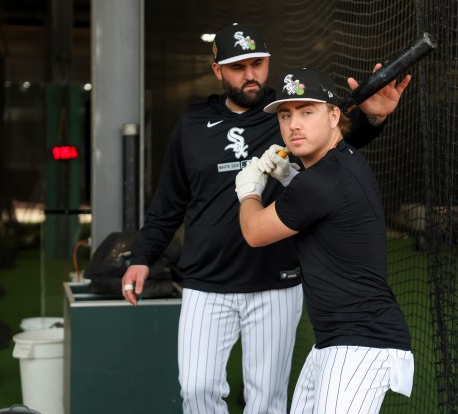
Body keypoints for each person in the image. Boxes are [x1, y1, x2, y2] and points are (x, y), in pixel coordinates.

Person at [121, 22, 411, 413]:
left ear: (268, 63)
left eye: (256, 63)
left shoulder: (292, 113)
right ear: (218, 70)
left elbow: (339, 139)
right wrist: (142, 255)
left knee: (267, 400)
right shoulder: (194, 125)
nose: (250, 74)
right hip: (208, 279)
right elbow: (169, 200)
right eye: (238, 66)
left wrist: (373, 119)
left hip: (277, 281)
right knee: (196, 390)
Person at [236, 67, 414, 414]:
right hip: (335, 341)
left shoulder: (322, 179)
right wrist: (289, 176)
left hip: (362, 342)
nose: (294, 125)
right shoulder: (333, 165)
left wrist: (249, 192)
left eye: (307, 112)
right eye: (285, 116)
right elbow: (323, 207)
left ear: (335, 116)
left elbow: (254, 232)